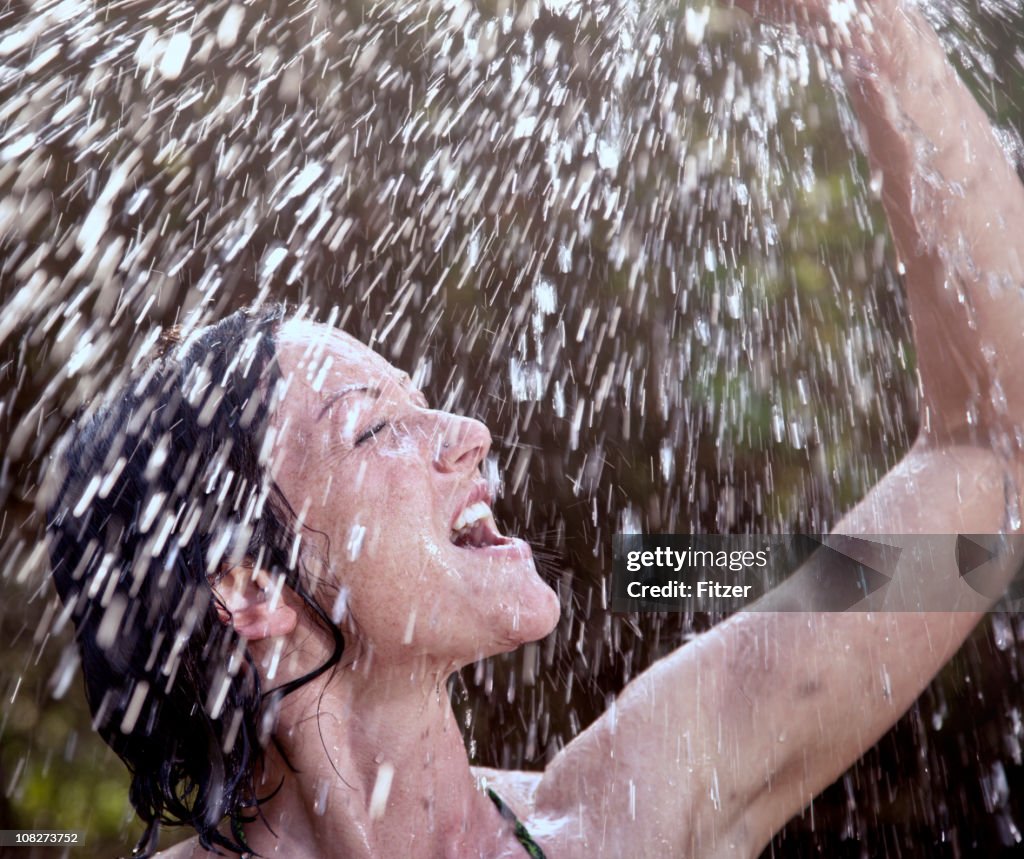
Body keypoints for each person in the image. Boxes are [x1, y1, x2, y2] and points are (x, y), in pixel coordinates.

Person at [44, 0, 1024, 855]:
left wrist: (875, 27)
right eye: (375, 425)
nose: (467, 432)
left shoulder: (636, 813)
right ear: (252, 585)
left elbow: (990, 462)